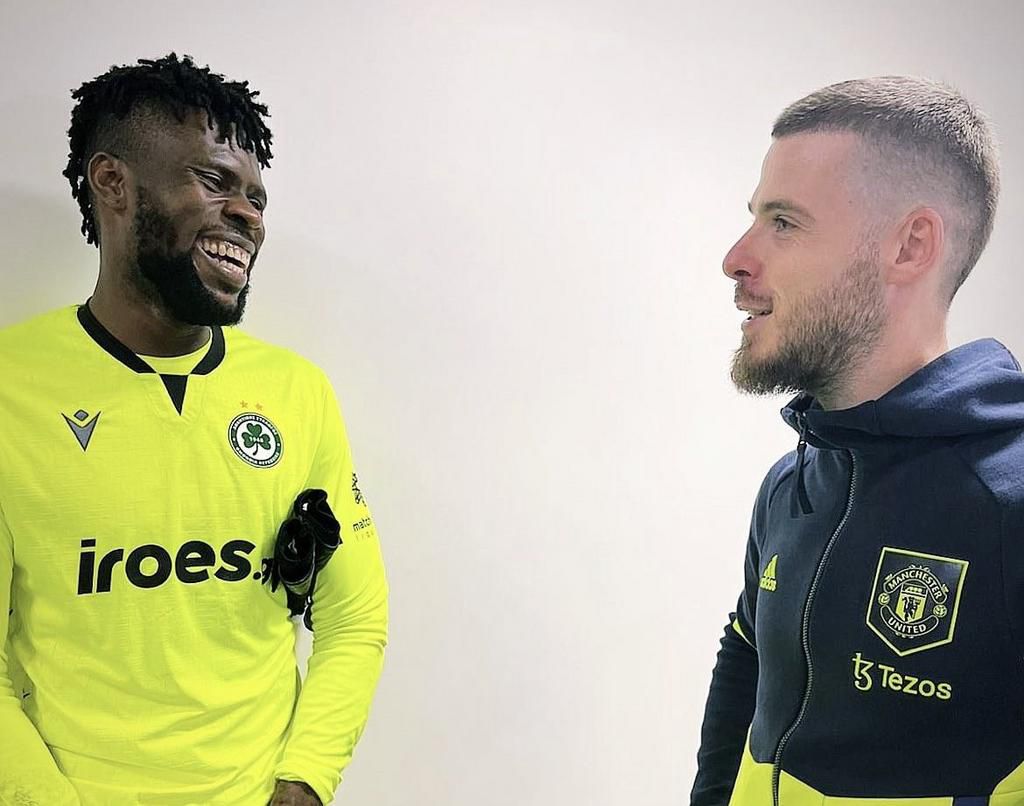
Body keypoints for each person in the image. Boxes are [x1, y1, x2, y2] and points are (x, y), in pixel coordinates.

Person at [0, 54, 388, 806]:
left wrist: (304, 782)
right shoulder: (9, 386)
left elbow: (354, 616)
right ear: (112, 183)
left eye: (256, 196)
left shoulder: (296, 392)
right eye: (214, 182)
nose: (249, 215)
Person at [691, 76, 1024, 804]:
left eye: (784, 221)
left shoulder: (1009, 506)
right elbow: (747, 651)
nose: (736, 258)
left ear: (909, 246)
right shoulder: (794, 479)